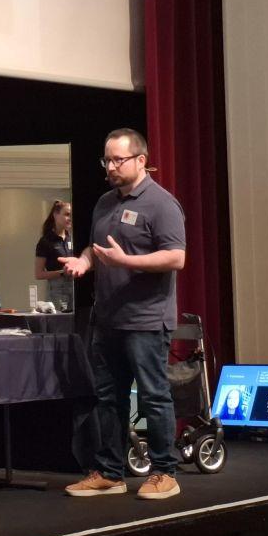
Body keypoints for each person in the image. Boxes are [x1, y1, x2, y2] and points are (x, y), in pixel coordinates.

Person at [61, 128, 186, 500]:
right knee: (108, 398)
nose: (111, 167)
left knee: (153, 397)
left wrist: (127, 261)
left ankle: (165, 472)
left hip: (145, 320)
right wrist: (85, 261)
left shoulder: (161, 204)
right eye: (107, 160)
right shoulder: (104, 203)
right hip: (107, 320)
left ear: (141, 160)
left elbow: (176, 257)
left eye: (118, 160)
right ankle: (110, 472)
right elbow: (95, 248)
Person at [34, 200, 74, 312]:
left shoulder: (71, 238)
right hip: (57, 292)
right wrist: (62, 272)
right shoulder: (45, 241)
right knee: (60, 320)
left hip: (73, 289)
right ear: (55, 215)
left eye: (71, 215)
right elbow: (38, 274)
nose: (70, 218)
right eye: (67, 214)